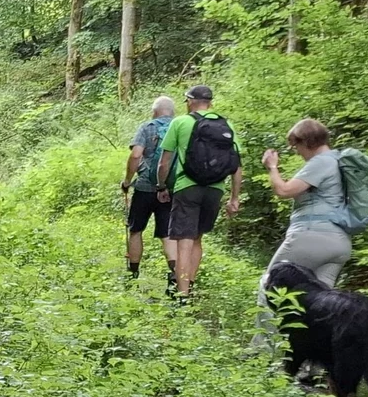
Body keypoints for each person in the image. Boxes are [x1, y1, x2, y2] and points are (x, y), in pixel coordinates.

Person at [154, 83, 242, 301]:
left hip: (187, 187)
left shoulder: (180, 122)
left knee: (183, 242)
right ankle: (190, 286)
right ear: (210, 103)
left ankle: (182, 297)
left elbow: (164, 163)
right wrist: (234, 198)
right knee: (197, 239)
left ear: (190, 101)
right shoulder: (226, 124)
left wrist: (161, 186)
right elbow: (236, 165)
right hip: (215, 189)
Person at [261, 117, 351, 288]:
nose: (297, 152)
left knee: (271, 285)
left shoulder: (322, 161)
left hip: (313, 236)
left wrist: (272, 167)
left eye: (296, 146)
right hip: (339, 241)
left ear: (306, 141)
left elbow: (284, 190)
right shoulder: (339, 161)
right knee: (319, 299)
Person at [122, 95, 178, 289]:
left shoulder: (147, 127)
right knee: (167, 234)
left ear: (154, 112)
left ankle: (133, 274)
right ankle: (175, 275)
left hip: (144, 188)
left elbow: (136, 155)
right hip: (169, 189)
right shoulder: (180, 127)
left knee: (136, 229)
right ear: (173, 112)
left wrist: (127, 181)